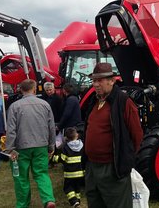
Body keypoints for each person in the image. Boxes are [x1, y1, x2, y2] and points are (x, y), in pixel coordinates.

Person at [84, 62, 143, 208]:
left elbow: (137, 135)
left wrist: (124, 158)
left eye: (100, 80)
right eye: (94, 80)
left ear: (112, 80)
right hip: (92, 166)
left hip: (112, 168)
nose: (96, 84)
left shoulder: (124, 102)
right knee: (95, 203)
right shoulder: (94, 101)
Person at [5, 79, 56, 208]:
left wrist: (10, 149)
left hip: (21, 147)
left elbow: (11, 130)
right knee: (41, 173)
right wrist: (51, 145)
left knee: (21, 178)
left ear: (21, 90)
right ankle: (49, 199)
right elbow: (51, 127)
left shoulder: (14, 106)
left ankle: (22, 205)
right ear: (34, 89)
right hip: (41, 145)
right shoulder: (45, 105)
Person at [52, 127, 84, 208]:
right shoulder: (82, 145)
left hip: (70, 174)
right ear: (77, 135)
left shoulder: (66, 147)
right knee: (77, 188)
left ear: (66, 138)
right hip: (80, 173)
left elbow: (62, 159)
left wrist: (53, 158)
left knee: (68, 188)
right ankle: (78, 201)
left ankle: (74, 202)